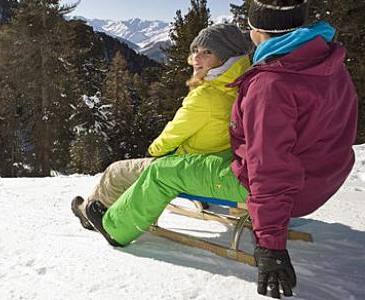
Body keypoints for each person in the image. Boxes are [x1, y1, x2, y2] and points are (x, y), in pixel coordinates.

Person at [85, 0, 358, 299]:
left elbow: (269, 170)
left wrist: (270, 245)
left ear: (258, 31)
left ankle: (115, 229)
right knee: (205, 160)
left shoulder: (271, 83)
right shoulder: (327, 64)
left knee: (162, 172)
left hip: (282, 188)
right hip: (320, 180)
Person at [71, 23, 253, 230]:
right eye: (195, 51)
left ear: (227, 57)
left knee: (116, 171)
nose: (196, 58)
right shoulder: (243, 85)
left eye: (207, 52)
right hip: (219, 160)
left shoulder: (205, 96)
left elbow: (173, 133)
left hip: (190, 165)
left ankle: (89, 213)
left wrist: (153, 150)